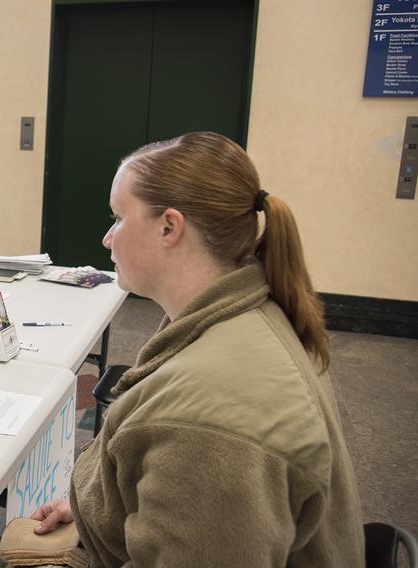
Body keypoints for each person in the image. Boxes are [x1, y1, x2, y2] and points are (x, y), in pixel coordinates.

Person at [27, 132, 365, 566]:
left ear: (170, 226)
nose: (108, 240)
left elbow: (203, 468)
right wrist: (98, 505)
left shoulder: (207, 424)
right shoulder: (247, 315)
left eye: (118, 218)